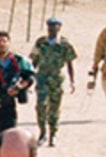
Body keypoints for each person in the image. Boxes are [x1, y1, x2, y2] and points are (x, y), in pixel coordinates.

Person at [29, 18, 77, 147]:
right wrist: (29, 79)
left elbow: (69, 63)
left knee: (54, 107)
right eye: (49, 26)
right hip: (42, 77)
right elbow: (34, 61)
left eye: (54, 27)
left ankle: (53, 134)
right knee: (41, 105)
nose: (51, 29)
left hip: (56, 78)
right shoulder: (41, 43)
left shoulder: (64, 44)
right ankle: (42, 132)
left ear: (59, 28)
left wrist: (72, 81)